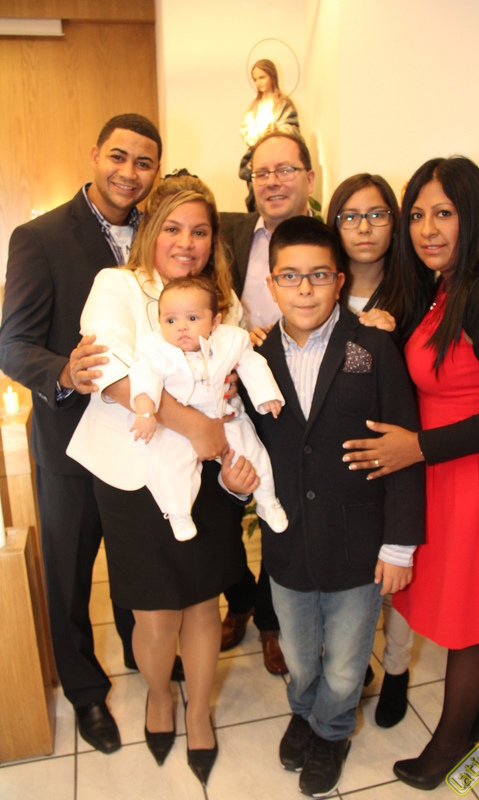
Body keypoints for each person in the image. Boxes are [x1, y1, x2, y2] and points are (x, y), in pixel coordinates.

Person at [342, 156, 479, 790]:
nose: (427, 229)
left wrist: (419, 447)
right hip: (456, 472)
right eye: (418, 215)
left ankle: (450, 745)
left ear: (472, 216)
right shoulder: (447, 286)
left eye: (443, 214)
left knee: (473, 619)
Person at [66, 171, 258, 785]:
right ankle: (158, 693)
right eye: (173, 228)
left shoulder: (223, 299)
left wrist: (231, 422)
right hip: (133, 474)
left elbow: (239, 376)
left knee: (203, 606)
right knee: (154, 616)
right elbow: (110, 371)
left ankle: (198, 712)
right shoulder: (118, 285)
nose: (187, 242)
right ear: (150, 230)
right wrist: (195, 424)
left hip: (204, 478)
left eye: (200, 231)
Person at [0, 113, 168, 755]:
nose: (129, 172)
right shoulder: (39, 237)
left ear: (156, 171)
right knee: (70, 575)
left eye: (144, 163)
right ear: (95, 154)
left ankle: (141, 653)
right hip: (70, 442)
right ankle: (85, 691)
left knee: (136, 562)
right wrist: (65, 373)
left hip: (142, 436)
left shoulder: (160, 233)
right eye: (118, 157)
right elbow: (12, 344)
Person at [240, 215, 425, 797]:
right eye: (289, 277)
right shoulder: (253, 360)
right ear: (271, 285)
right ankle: (305, 712)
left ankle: (333, 730)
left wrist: (399, 545)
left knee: (346, 661)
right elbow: (245, 445)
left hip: (359, 545)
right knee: (298, 653)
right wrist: (235, 482)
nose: (304, 289)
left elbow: (405, 450)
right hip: (288, 541)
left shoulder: (373, 347)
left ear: (339, 280)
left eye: (319, 275)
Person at [219, 130, 315, 672]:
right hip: (229, 395)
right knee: (224, 509)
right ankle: (238, 600)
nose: (273, 181)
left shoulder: (328, 237)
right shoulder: (229, 233)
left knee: (283, 508)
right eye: (262, 172)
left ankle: (272, 619)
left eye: (285, 170)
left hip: (295, 401)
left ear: (309, 177)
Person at [327, 174, 414, 728]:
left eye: (377, 214)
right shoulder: (322, 290)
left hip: (400, 452)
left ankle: (398, 669)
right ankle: (354, 664)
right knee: (352, 572)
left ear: (394, 222)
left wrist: (391, 337)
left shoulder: (417, 292)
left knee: (400, 571)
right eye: (351, 216)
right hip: (342, 456)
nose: (364, 227)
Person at [129, 274, 288, 540]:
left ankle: (268, 502)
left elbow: (251, 364)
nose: (181, 327)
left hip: (226, 417)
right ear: (159, 322)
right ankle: (179, 514)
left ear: (214, 321)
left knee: (253, 452)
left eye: (192, 318)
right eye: (171, 320)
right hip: (180, 426)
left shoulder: (230, 340)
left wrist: (265, 395)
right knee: (170, 464)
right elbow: (144, 381)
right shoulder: (154, 349)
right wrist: (145, 413)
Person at [239, 59, 300, 211]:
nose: (258, 83)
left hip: (281, 157)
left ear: (272, 76)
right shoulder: (254, 107)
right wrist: (262, 135)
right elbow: (247, 130)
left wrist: (277, 131)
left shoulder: (284, 103)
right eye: (255, 79)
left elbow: (292, 128)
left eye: (262, 77)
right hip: (259, 157)